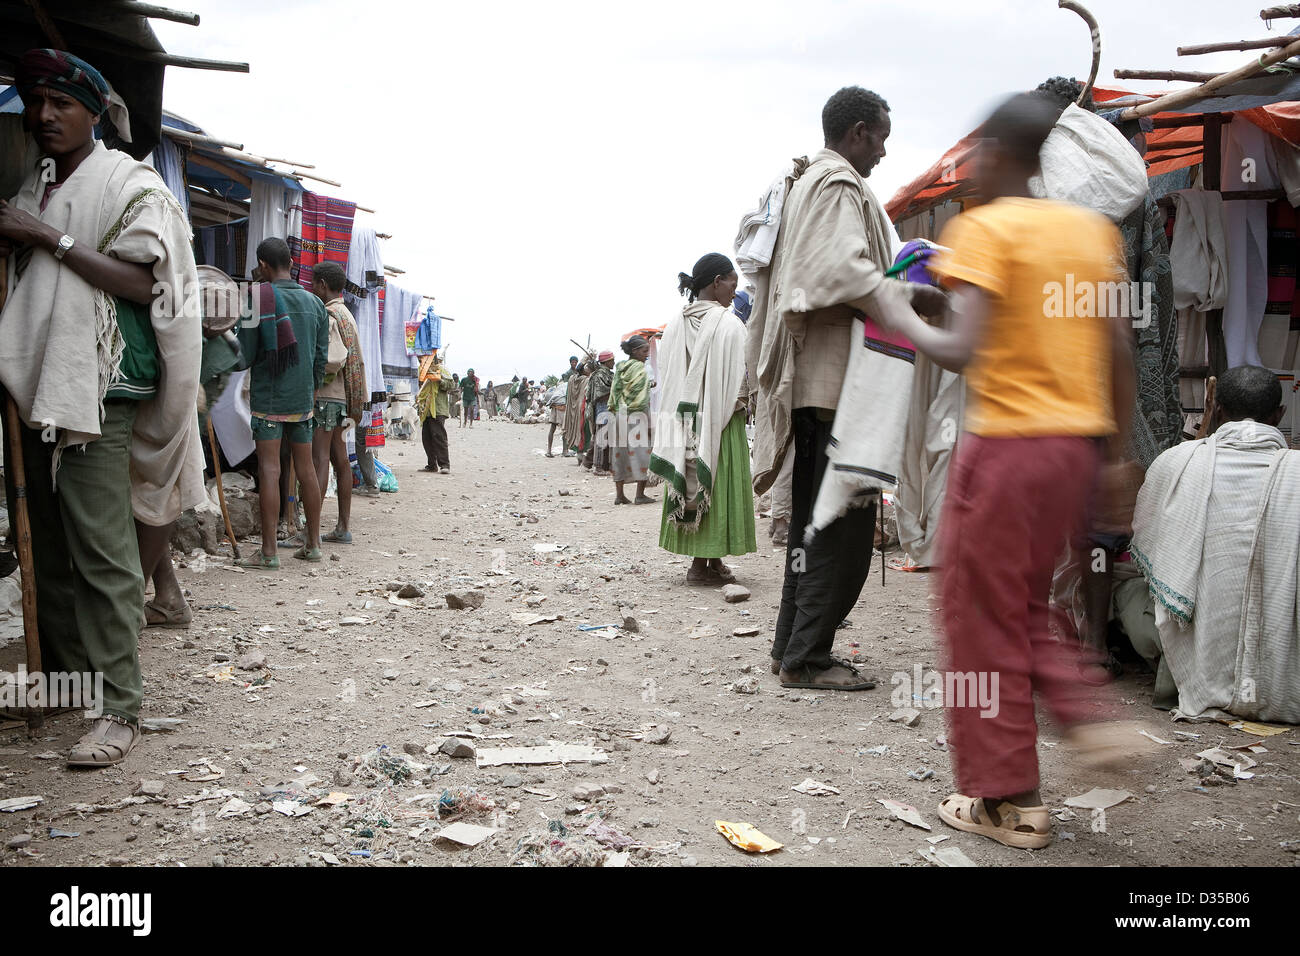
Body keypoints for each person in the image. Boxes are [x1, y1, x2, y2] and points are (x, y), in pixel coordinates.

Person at [882, 92, 1143, 850]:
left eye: (976, 155)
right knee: (1024, 604)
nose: (969, 169)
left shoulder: (985, 228)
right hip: (1073, 449)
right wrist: (1119, 459)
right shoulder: (1090, 233)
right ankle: (1075, 719)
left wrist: (895, 310)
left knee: (977, 615)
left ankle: (1012, 800)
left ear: (999, 154)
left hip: (1003, 452)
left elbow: (963, 351)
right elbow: (1118, 349)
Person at [0, 49, 206, 765]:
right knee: (48, 548)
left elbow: (147, 286)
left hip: (99, 385)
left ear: (96, 112)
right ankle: (63, 682)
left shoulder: (129, 184)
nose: (45, 114)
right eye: (36, 102)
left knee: (101, 550)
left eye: (61, 102)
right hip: (38, 385)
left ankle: (119, 707)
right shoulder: (35, 185)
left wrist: (48, 239)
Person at [749, 86, 926, 691]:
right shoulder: (840, 185)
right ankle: (809, 658)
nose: (881, 151)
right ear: (857, 132)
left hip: (819, 388)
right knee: (840, 527)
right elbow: (838, 269)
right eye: (879, 137)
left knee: (812, 522)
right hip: (834, 386)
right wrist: (909, 292)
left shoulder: (808, 184)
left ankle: (791, 647)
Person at [1130, 365, 1300, 724]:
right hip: (1285, 674)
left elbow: (1147, 542)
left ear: (1216, 409)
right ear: (1279, 415)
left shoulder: (1177, 461)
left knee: (1128, 589)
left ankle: (1185, 675)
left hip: (1197, 660)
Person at [654, 254, 756, 584]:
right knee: (718, 487)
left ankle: (712, 562)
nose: (732, 291)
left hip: (683, 424)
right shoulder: (730, 325)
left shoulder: (673, 327)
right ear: (716, 282)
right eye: (732, 283)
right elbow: (742, 382)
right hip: (721, 422)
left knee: (698, 485)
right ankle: (700, 566)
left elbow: (667, 377)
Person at [235, 237, 329, 568]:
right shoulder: (316, 303)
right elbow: (321, 358)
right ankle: (313, 544)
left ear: (263, 265)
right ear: (290, 262)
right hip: (303, 399)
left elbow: (243, 355)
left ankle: (269, 552)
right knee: (306, 469)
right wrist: (310, 388)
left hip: (269, 400)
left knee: (270, 469)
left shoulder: (256, 298)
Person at [308, 262, 367, 545]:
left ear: (321, 284)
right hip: (345, 403)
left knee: (319, 459)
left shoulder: (329, 314)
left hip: (327, 399)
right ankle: (342, 527)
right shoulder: (348, 315)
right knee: (340, 460)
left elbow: (332, 360)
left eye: (313, 283)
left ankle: (311, 534)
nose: (311, 288)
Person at [609, 336, 654, 505]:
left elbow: (616, 393)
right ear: (635, 351)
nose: (646, 355)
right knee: (643, 454)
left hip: (619, 415)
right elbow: (642, 400)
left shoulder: (621, 368)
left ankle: (619, 495)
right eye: (644, 351)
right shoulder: (641, 370)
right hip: (636, 417)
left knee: (619, 455)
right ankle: (640, 495)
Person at [417, 354, 455, 473]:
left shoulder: (442, 370)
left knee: (439, 437)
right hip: (426, 410)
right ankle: (432, 465)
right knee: (426, 438)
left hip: (438, 409)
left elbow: (451, 385)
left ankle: (444, 465)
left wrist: (439, 380)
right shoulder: (422, 371)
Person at [582, 351, 615, 474]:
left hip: (609, 410)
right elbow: (600, 394)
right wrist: (614, 390)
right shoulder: (599, 376)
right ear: (606, 362)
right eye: (612, 360)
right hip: (602, 410)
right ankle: (598, 466)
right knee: (601, 438)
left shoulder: (608, 374)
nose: (614, 363)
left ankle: (603, 465)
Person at [561, 356, 587, 457]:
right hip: (573, 404)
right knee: (569, 427)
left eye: (576, 362)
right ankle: (566, 449)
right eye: (573, 362)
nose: (574, 363)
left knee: (571, 427)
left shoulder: (574, 377)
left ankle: (573, 449)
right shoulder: (570, 375)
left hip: (574, 404)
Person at [545, 378, 566, 456]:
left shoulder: (557, 389)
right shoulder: (566, 387)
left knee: (552, 429)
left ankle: (549, 451)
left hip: (554, 407)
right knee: (565, 429)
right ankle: (565, 451)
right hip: (562, 408)